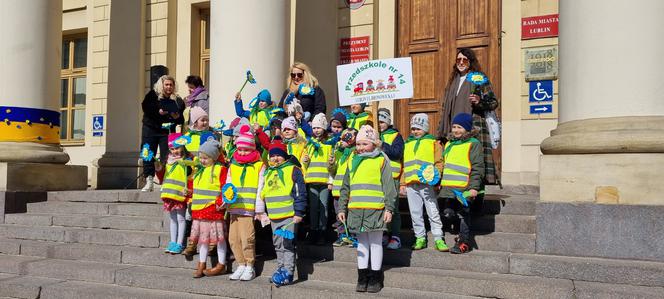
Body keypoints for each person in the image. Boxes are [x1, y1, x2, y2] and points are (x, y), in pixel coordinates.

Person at [437, 48, 499, 213]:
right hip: (454, 133)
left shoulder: (478, 79)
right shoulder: (452, 82)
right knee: (456, 168)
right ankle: (453, 205)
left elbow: (493, 102)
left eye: (465, 59)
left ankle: (476, 204)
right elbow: (445, 110)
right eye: (458, 60)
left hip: (474, 130)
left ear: (471, 62)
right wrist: (440, 134)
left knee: (476, 167)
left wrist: (479, 101)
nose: (461, 62)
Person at [338, 125, 396, 293]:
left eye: (365, 144)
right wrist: (342, 208)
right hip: (356, 209)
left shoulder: (381, 159)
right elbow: (345, 187)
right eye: (358, 144)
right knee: (362, 243)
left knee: (376, 243)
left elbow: (389, 186)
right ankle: (362, 277)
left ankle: (375, 277)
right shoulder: (352, 160)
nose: (361, 148)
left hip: (376, 209)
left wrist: (389, 208)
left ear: (373, 144)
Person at [258, 137, 307, 287]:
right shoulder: (269, 172)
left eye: (278, 155)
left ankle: (288, 273)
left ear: (285, 155)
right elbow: (264, 192)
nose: (275, 158)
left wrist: (299, 212)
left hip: (289, 217)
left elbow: (300, 192)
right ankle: (280, 270)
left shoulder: (292, 170)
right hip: (274, 217)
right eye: (272, 155)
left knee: (287, 244)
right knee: (278, 244)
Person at [401, 113, 447, 251]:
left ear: (425, 128)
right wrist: (403, 183)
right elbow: (404, 164)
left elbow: (439, 162)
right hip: (411, 184)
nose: (415, 131)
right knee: (415, 212)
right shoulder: (407, 143)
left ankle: (438, 237)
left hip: (427, 183)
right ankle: (419, 237)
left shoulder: (434, 143)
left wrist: (436, 177)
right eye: (413, 128)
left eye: (418, 129)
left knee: (432, 210)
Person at [440, 113, 485, 254]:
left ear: (467, 129)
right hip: (448, 188)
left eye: (459, 127)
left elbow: (477, 167)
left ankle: (463, 242)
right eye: (454, 127)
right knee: (448, 213)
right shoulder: (449, 143)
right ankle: (459, 235)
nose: (456, 130)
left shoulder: (473, 144)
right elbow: (444, 164)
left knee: (463, 215)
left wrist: (473, 188)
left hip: (464, 188)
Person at [226, 126, 266, 281]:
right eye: (240, 149)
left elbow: (260, 188)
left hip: (248, 208)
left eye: (246, 150)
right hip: (234, 207)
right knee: (233, 238)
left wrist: (259, 209)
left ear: (252, 149)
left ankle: (250, 266)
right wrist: (226, 199)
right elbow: (228, 184)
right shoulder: (234, 165)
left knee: (247, 238)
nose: (242, 153)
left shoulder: (258, 165)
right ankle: (240, 264)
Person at [189, 140, 229, 278]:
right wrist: (189, 193)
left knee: (220, 239)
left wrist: (220, 202)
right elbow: (197, 189)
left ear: (214, 157)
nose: (202, 160)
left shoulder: (220, 169)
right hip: (200, 211)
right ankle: (201, 263)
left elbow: (225, 187)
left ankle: (221, 264)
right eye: (201, 157)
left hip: (213, 210)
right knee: (203, 240)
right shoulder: (199, 171)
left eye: (206, 158)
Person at [141, 75, 185, 191]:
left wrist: (177, 116)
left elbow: (180, 119)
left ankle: (165, 180)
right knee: (148, 153)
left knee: (167, 155)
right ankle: (149, 179)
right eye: (166, 84)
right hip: (150, 129)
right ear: (162, 85)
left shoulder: (177, 100)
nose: (169, 87)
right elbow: (146, 108)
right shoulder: (152, 96)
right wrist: (158, 111)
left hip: (166, 131)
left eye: (171, 85)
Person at [159, 133, 194, 254]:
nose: (175, 151)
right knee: (173, 219)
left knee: (181, 218)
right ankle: (173, 242)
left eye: (177, 148)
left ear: (183, 146)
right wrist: (158, 169)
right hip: (169, 194)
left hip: (179, 195)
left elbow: (190, 176)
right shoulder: (167, 160)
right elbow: (162, 176)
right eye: (172, 149)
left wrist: (189, 190)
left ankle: (180, 243)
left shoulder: (187, 160)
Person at [301, 113, 333, 245]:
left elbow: (332, 165)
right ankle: (313, 231)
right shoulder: (308, 144)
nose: (316, 130)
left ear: (324, 128)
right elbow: (305, 164)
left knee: (324, 207)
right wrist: (305, 161)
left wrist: (331, 180)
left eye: (319, 128)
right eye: (314, 128)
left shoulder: (329, 145)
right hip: (311, 181)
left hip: (324, 182)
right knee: (313, 207)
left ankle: (322, 231)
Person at [377, 108, 404, 250]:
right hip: (377, 177)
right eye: (378, 122)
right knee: (381, 207)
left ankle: (396, 236)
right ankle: (384, 233)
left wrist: (382, 145)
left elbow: (397, 153)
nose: (380, 124)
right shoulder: (374, 133)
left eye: (382, 121)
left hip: (391, 177)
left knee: (392, 207)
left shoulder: (395, 136)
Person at [330, 128, 357, 247]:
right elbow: (333, 171)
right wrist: (331, 164)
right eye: (344, 137)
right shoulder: (340, 153)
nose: (345, 139)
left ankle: (353, 235)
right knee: (338, 214)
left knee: (350, 213)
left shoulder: (355, 152)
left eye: (349, 137)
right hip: (337, 189)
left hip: (349, 190)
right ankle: (342, 235)